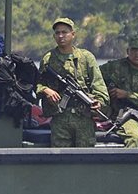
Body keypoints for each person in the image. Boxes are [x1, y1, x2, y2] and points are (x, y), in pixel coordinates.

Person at [37, 17, 109, 147]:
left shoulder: (86, 57)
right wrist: (46, 90)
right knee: (61, 159)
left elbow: (99, 86)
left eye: (64, 32)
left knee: (85, 159)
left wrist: (98, 102)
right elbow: (37, 83)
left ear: (73, 34)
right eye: (57, 33)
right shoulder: (48, 58)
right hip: (60, 119)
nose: (61, 36)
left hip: (83, 119)